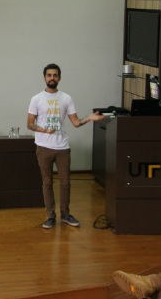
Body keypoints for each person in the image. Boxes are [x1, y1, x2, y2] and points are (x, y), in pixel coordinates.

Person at [27, 63, 104, 229]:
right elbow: (30, 124)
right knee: (47, 183)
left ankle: (65, 214)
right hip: (43, 147)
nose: (52, 78)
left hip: (62, 147)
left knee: (65, 183)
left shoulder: (66, 98)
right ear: (44, 77)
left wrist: (89, 118)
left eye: (55, 75)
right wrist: (44, 130)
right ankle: (50, 216)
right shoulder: (36, 99)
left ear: (59, 78)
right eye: (49, 75)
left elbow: (75, 122)